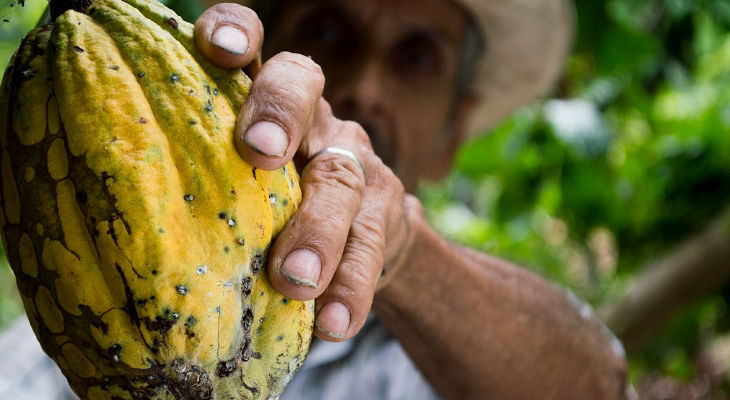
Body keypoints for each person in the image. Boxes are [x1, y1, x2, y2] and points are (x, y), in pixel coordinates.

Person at [0, 0, 633, 399]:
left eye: (417, 57)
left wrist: (401, 251)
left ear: (453, 134)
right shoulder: (95, 305)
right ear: (242, 64)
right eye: (327, 28)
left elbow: (599, 385)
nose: (364, 86)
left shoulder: (448, 358)